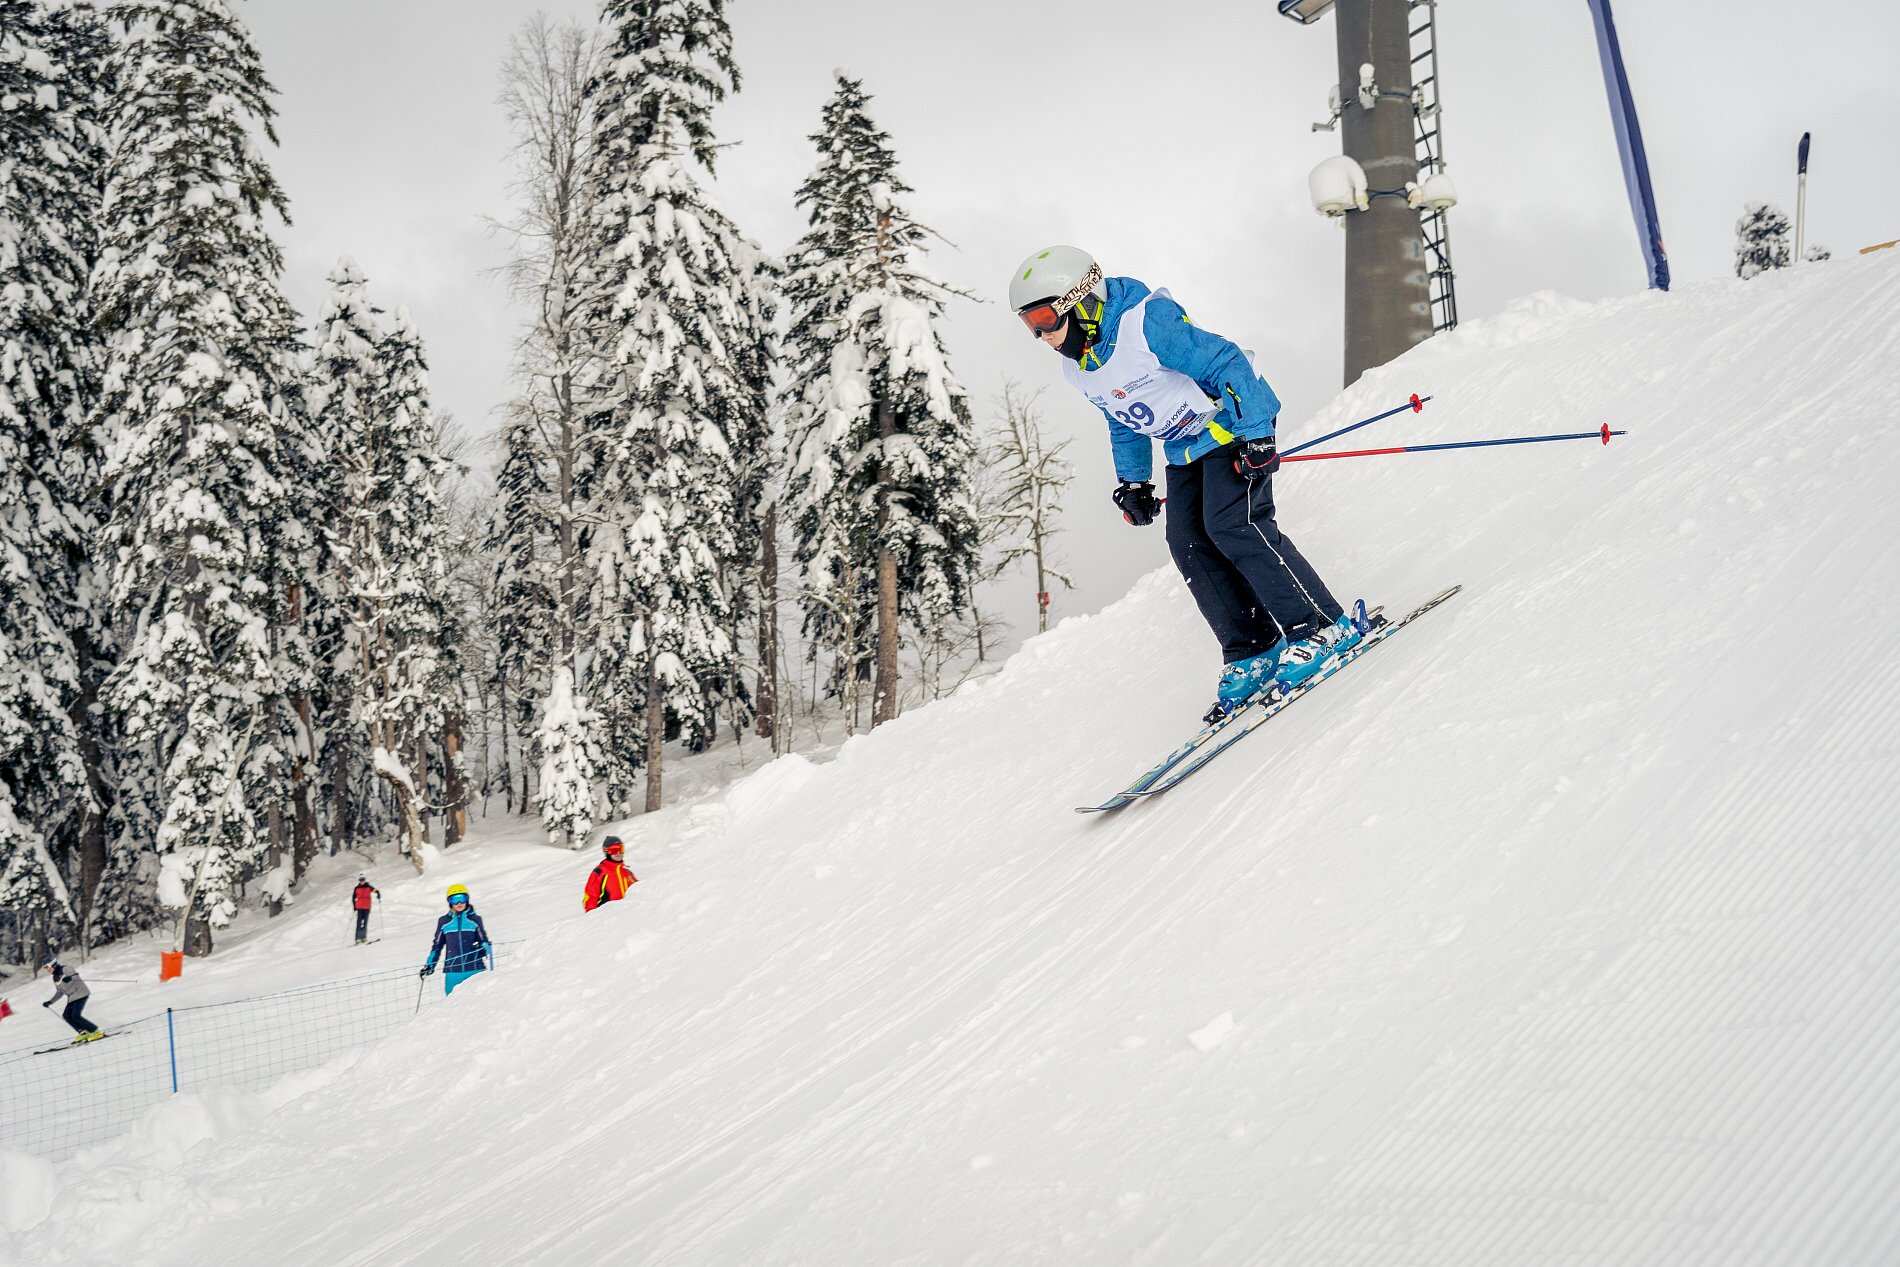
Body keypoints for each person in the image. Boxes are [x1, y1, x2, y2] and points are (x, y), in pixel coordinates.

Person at [1008, 245, 1368, 722]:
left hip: (1231, 426)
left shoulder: (1145, 323)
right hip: (1184, 447)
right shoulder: (1080, 368)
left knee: (1234, 525)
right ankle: (1253, 648)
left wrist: (1256, 431)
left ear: (1082, 301)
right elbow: (1122, 421)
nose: (1041, 335)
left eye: (1044, 318)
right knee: (1188, 542)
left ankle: (1321, 625)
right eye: (1029, 324)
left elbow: (1226, 362)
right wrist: (1134, 482)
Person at [420, 885, 493, 995]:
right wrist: (429, 966)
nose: (459, 903)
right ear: (449, 902)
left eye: (462, 898)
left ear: (467, 900)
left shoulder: (475, 920)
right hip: (453, 971)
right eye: (454, 900)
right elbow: (437, 947)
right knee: (453, 1002)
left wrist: (485, 947)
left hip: (475, 968)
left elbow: (483, 941)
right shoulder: (444, 922)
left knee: (478, 1000)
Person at [41, 956, 103, 1041]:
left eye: (47, 967)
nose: (46, 969)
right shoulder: (55, 977)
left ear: (53, 964)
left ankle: (96, 1032)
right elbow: (60, 992)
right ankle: (83, 1032)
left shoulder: (65, 969)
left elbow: (76, 977)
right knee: (66, 1016)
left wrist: (70, 978)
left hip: (81, 993)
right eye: (45, 968)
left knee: (75, 1016)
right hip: (72, 997)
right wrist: (50, 1002)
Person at [583, 836, 638, 912]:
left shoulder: (628, 873)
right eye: (614, 850)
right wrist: (593, 916)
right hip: (608, 916)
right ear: (607, 852)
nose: (618, 853)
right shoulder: (600, 872)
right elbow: (590, 898)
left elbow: (639, 892)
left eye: (620, 849)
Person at [351, 874, 381, 945]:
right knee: (359, 923)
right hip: (359, 907)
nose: (362, 881)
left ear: (365, 879)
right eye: (360, 880)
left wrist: (378, 894)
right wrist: (354, 907)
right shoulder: (356, 888)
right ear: (359, 880)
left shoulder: (368, 887)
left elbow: (376, 890)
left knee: (365, 923)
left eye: (363, 879)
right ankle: (358, 939)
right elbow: (353, 898)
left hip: (367, 907)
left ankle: (363, 938)